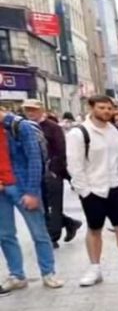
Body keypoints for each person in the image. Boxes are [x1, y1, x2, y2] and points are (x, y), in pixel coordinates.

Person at [67, 95, 118, 286]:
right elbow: (75, 165)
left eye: (109, 108)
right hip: (93, 189)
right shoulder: (79, 133)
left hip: (116, 185)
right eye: (102, 107)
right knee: (94, 229)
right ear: (91, 107)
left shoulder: (114, 131)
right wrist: (85, 191)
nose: (106, 111)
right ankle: (94, 269)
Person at [0, 105, 63, 291]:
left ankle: (48, 273)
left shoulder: (19, 126)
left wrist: (32, 192)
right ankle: (17, 275)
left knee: (39, 233)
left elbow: (35, 160)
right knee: (5, 235)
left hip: (21, 187)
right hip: (2, 188)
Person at [21, 99, 82, 246]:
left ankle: (52, 236)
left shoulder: (52, 127)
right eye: (27, 110)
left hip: (52, 171)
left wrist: (54, 169)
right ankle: (69, 223)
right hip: (33, 172)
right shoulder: (23, 126)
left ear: (41, 110)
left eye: (33, 109)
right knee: (42, 204)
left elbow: (61, 150)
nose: (30, 113)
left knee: (54, 205)